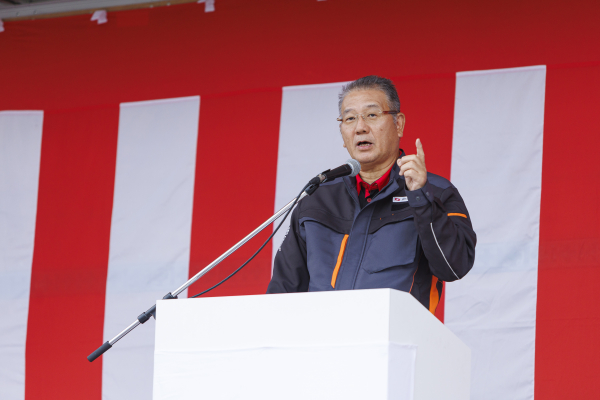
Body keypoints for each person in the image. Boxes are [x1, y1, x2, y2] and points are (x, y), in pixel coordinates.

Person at [267, 75, 476, 313]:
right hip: (322, 335)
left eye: (372, 115)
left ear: (398, 124)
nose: (360, 127)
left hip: (395, 333)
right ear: (342, 132)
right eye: (350, 118)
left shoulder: (435, 191)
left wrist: (420, 197)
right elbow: (282, 292)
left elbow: (454, 266)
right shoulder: (316, 198)